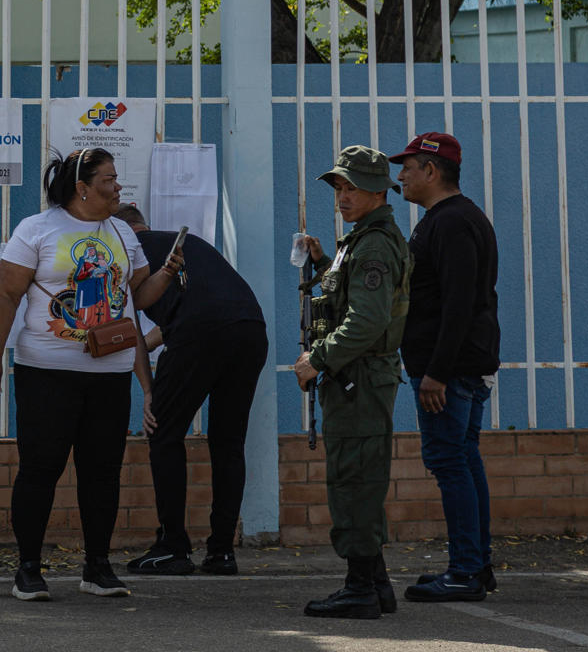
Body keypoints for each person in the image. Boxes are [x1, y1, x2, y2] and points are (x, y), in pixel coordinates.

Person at [0, 149, 182, 602]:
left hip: (109, 372)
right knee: (40, 470)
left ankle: (97, 567)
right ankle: (28, 569)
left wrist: (167, 274)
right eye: (109, 179)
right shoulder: (37, 229)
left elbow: (141, 297)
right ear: (82, 187)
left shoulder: (122, 232)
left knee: (102, 472)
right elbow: (5, 294)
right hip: (46, 372)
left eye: (116, 178)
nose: (117, 187)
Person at [294, 145, 411, 619]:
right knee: (357, 476)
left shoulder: (375, 243)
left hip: (359, 379)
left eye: (353, 187)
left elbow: (366, 321)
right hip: (356, 379)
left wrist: (316, 360)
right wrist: (323, 265)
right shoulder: (361, 240)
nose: (343, 196)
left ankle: (359, 587)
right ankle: (376, 584)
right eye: (339, 187)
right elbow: (352, 301)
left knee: (354, 480)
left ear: (380, 191)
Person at [118, 205, 267, 578]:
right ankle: (221, 552)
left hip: (200, 332)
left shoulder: (126, 253)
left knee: (163, 434)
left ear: (123, 232)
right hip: (250, 327)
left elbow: (132, 327)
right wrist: (155, 345)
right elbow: (195, 310)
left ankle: (173, 547)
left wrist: (150, 393)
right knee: (228, 442)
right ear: (145, 226)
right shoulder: (184, 244)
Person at [390, 132, 500, 601]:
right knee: (463, 458)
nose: (401, 177)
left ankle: (466, 571)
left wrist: (436, 371)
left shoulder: (451, 222)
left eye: (408, 168)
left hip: (449, 369)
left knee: (448, 461)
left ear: (431, 171)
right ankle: (476, 566)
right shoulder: (452, 218)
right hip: (460, 364)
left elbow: (458, 302)